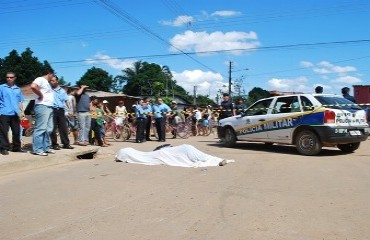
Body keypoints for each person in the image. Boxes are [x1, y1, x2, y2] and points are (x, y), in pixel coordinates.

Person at [115, 144, 232, 167]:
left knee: (198, 157)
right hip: (182, 149)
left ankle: (217, 160)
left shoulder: (143, 155)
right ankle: (218, 160)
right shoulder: (142, 155)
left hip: (182, 149)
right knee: (199, 156)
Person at [30, 68, 55, 156]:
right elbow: (33, 86)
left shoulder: (46, 83)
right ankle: (37, 149)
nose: (53, 77)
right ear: (49, 74)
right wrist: (40, 95)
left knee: (49, 129)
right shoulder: (40, 79)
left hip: (49, 107)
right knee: (40, 128)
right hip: (42, 106)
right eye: (53, 75)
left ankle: (46, 147)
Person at [0, 72, 25, 155]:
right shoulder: (1, 87)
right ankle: (4, 148)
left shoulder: (17, 89)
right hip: (4, 112)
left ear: (15, 78)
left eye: (11, 77)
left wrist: (22, 112)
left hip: (15, 113)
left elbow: (20, 101)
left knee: (17, 131)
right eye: (7, 77)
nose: (9, 79)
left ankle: (16, 147)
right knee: (4, 131)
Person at [49, 76, 74, 150]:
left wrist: (70, 109)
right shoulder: (49, 90)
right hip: (52, 110)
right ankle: (54, 144)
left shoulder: (62, 91)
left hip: (61, 110)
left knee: (63, 127)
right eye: (50, 81)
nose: (52, 82)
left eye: (53, 81)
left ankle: (66, 144)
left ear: (57, 81)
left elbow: (67, 100)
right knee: (53, 128)